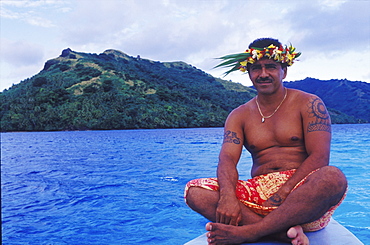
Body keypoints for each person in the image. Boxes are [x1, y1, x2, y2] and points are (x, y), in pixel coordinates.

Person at [184, 38, 347, 245]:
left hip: (302, 198)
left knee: (333, 177)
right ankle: (281, 234)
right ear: (249, 73)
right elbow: (227, 159)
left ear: (283, 71)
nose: (263, 74)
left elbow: (320, 157)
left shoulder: (309, 104)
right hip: (258, 197)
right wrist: (227, 197)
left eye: (271, 67)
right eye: (256, 69)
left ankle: (249, 233)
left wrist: (284, 192)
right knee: (194, 192)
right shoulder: (239, 115)